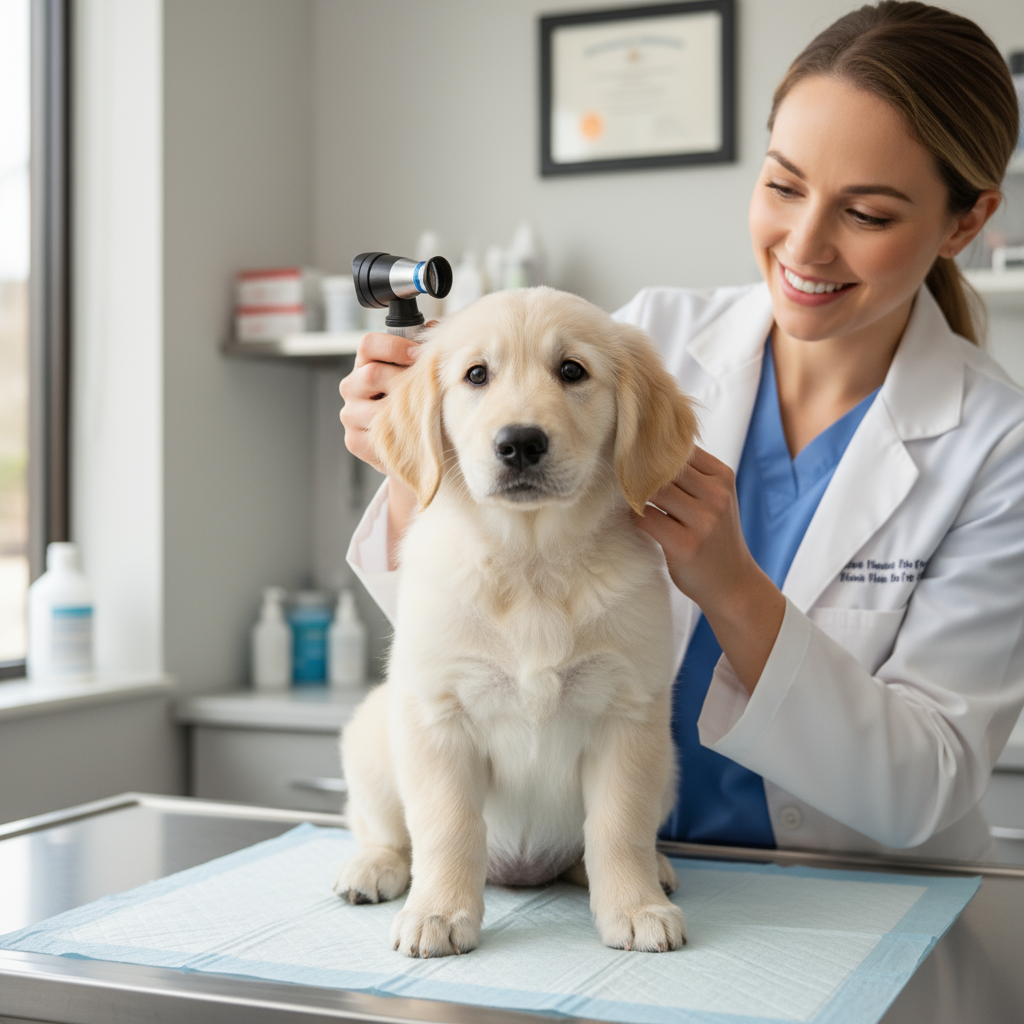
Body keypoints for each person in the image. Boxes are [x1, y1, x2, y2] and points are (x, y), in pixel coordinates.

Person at [339, 1, 1024, 862]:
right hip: (625, 879)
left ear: (966, 222)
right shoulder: (640, 342)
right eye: (782, 186)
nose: (804, 246)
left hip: (850, 892)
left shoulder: (998, 447)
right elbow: (471, 656)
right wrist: (419, 457)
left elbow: (922, 786)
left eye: (869, 215)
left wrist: (733, 586)